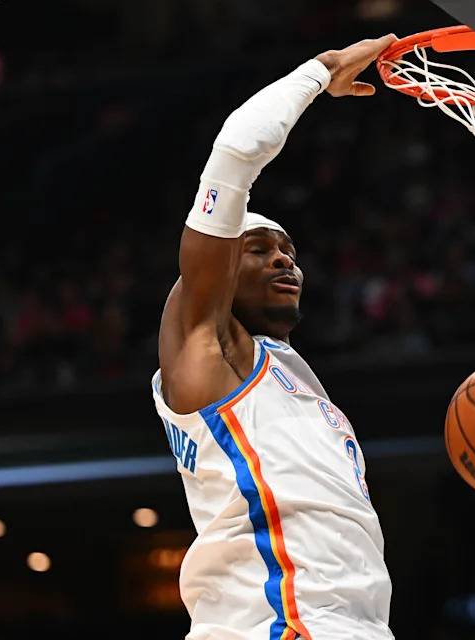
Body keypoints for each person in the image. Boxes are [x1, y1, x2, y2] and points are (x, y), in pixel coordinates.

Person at [151, 34, 399, 640]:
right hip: (282, 627)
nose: (285, 261)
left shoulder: (293, 379)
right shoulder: (207, 349)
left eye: (289, 250)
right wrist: (322, 71)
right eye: (258, 250)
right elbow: (236, 152)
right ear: (215, 274)